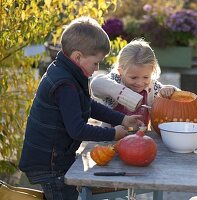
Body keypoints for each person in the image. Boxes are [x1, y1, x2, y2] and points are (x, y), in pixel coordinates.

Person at [19, 17, 143, 200]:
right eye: (95, 63)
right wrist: (112, 134)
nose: (98, 67)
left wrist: (121, 119)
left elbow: (88, 105)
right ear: (77, 57)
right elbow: (77, 129)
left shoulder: (67, 71)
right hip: (50, 163)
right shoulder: (65, 84)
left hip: (56, 157)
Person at [90, 39, 178, 128]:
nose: (140, 83)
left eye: (146, 77)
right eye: (133, 77)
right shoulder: (116, 80)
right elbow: (96, 84)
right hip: (111, 137)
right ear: (120, 71)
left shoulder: (152, 87)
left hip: (141, 137)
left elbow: (180, 100)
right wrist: (122, 93)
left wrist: (169, 90)